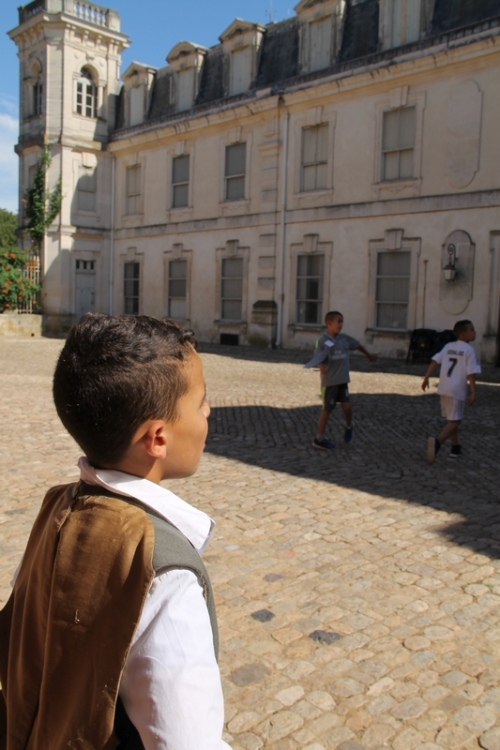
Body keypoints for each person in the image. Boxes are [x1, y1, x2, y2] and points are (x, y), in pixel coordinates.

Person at [0, 314, 231, 750]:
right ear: (157, 438)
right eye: (201, 401)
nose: (208, 412)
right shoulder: (165, 571)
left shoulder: (57, 504)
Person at [305, 310, 377, 450]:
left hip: (342, 380)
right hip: (330, 382)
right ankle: (318, 438)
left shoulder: (344, 338)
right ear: (329, 323)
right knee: (327, 409)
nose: (341, 324)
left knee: (347, 407)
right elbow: (318, 356)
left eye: (342, 321)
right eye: (338, 321)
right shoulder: (323, 341)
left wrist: (368, 355)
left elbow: (357, 345)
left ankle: (349, 426)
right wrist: (321, 367)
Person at [422, 319, 480, 463]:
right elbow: (470, 372)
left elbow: (435, 361)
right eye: (471, 330)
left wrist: (427, 377)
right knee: (455, 421)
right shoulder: (469, 350)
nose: (474, 332)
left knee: (452, 418)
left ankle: (455, 447)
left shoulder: (448, 346)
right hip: (457, 388)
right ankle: (438, 442)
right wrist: (473, 390)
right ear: (463, 334)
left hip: (444, 386)